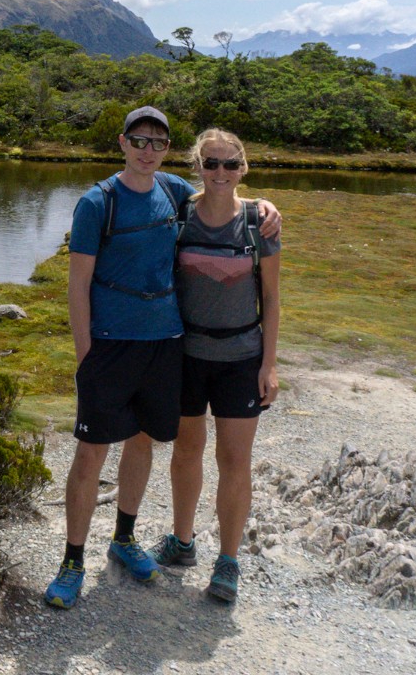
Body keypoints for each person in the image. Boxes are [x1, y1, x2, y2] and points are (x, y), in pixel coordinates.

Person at [44, 108, 279, 610]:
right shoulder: (96, 203)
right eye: (139, 140)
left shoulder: (174, 192)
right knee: (90, 455)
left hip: (167, 344)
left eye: (158, 142)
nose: (147, 150)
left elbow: (228, 197)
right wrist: (85, 353)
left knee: (144, 442)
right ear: (123, 142)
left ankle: (125, 539)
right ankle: (72, 562)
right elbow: (78, 283)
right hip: (112, 345)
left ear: (168, 150)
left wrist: (264, 206)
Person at [148, 128, 281, 606]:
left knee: (234, 459)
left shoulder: (258, 222)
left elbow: (271, 297)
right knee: (186, 452)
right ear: (197, 166)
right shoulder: (180, 214)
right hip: (186, 356)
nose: (220, 172)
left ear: (243, 168)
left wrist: (269, 364)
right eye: (211, 163)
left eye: (229, 164)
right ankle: (182, 543)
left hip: (240, 359)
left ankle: (228, 562)